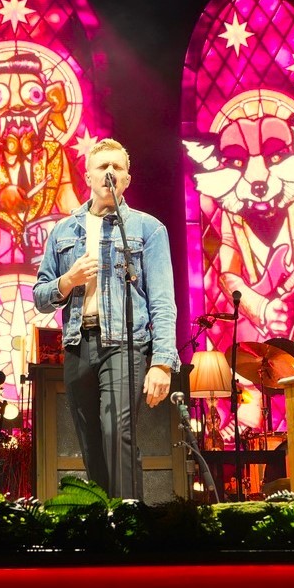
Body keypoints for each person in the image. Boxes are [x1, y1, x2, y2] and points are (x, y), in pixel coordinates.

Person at [32, 138, 178, 501]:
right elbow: (40, 297)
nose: (109, 173)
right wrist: (67, 281)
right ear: (88, 177)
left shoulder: (147, 229)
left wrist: (162, 361)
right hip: (80, 345)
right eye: (102, 167)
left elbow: (162, 300)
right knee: (91, 442)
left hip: (125, 344)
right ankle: (104, 520)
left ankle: (129, 521)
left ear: (127, 179)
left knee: (117, 433)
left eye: (117, 167)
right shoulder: (64, 232)